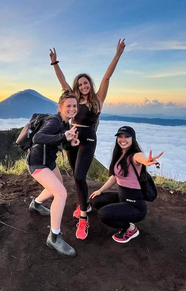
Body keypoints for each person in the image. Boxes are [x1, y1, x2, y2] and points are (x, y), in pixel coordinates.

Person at [49, 39, 126, 240]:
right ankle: (85, 204)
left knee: (81, 176)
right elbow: (62, 82)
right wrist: (55, 63)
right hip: (72, 138)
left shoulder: (97, 99)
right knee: (76, 176)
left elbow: (107, 77)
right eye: (80, 83)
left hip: (88, 139)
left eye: (86, 83)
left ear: (90, 85)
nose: (83, 86)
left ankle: (84, 217)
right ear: (77, 86)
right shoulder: (73, 98)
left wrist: (117, 54)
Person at [89, 126, 163, 243]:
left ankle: (130, 229)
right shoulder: (120, 154)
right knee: (95, 200)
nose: (123, 139)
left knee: (103, 214)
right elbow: (114, 177)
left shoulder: (134, 155)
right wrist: (100, 190)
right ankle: (121, 212)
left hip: (135, 206)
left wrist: (146, 161)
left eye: (126, 137)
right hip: (122, 198)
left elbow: (140, 158)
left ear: (133, 139)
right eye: (120, 136)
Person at [27, 91, 80, 257]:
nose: (72, 109)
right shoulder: (54, 121)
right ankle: (54, 237)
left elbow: (60, 142)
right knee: (61, 193)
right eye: (68, 106)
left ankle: (35, 204)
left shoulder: (65, 123)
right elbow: (38, 138)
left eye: (74, 106)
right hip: (37, 163)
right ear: (61, 107)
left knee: (57, 187)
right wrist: (64, 135)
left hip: (48, 162)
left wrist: (71, 141)